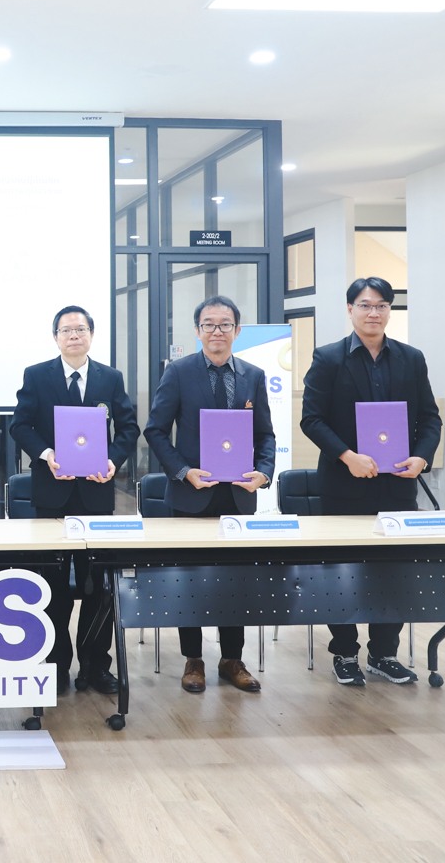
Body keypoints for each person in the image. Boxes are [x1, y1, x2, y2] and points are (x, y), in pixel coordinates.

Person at [300, 276, 442, 686]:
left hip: (397, 486)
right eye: (365, 305)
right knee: (341, 574)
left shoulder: (411, 358)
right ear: (350, 310)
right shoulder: (328, 358)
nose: (373, 312)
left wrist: (421, 457)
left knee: (394, 572)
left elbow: (429, 418)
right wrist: (348, 456)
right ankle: (345, 652)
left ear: (389, 310)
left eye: (381, 305)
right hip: (344, 486)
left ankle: (383, 653)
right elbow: (312, 419)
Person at [143, 295, 274, 694]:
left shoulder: (253, 375)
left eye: (225, 324)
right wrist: (184, 472)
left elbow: (265, 434)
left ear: (237, 330)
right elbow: (156, 430)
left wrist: (264, 473)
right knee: (191, 581)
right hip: (191, 496)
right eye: (209, 324)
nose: (217, 331)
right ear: (198, 330)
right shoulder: (179, 372)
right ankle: (193, 659)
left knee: (236, 581)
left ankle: (232, 659)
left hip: (238, 497)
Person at [10, 305, 139, 695]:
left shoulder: (110, 378)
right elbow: (20, 425)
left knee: (98, 585)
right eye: (66, 330)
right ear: (56, 337)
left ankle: (96, 666)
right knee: (52, 585)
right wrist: (47, 454)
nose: (74, 336)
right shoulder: (37, 375)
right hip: (52, 495)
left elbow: (129, 427)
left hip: (96, 494)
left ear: (91, 335)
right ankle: (54, 664)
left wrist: (113, 461)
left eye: (80, 329)